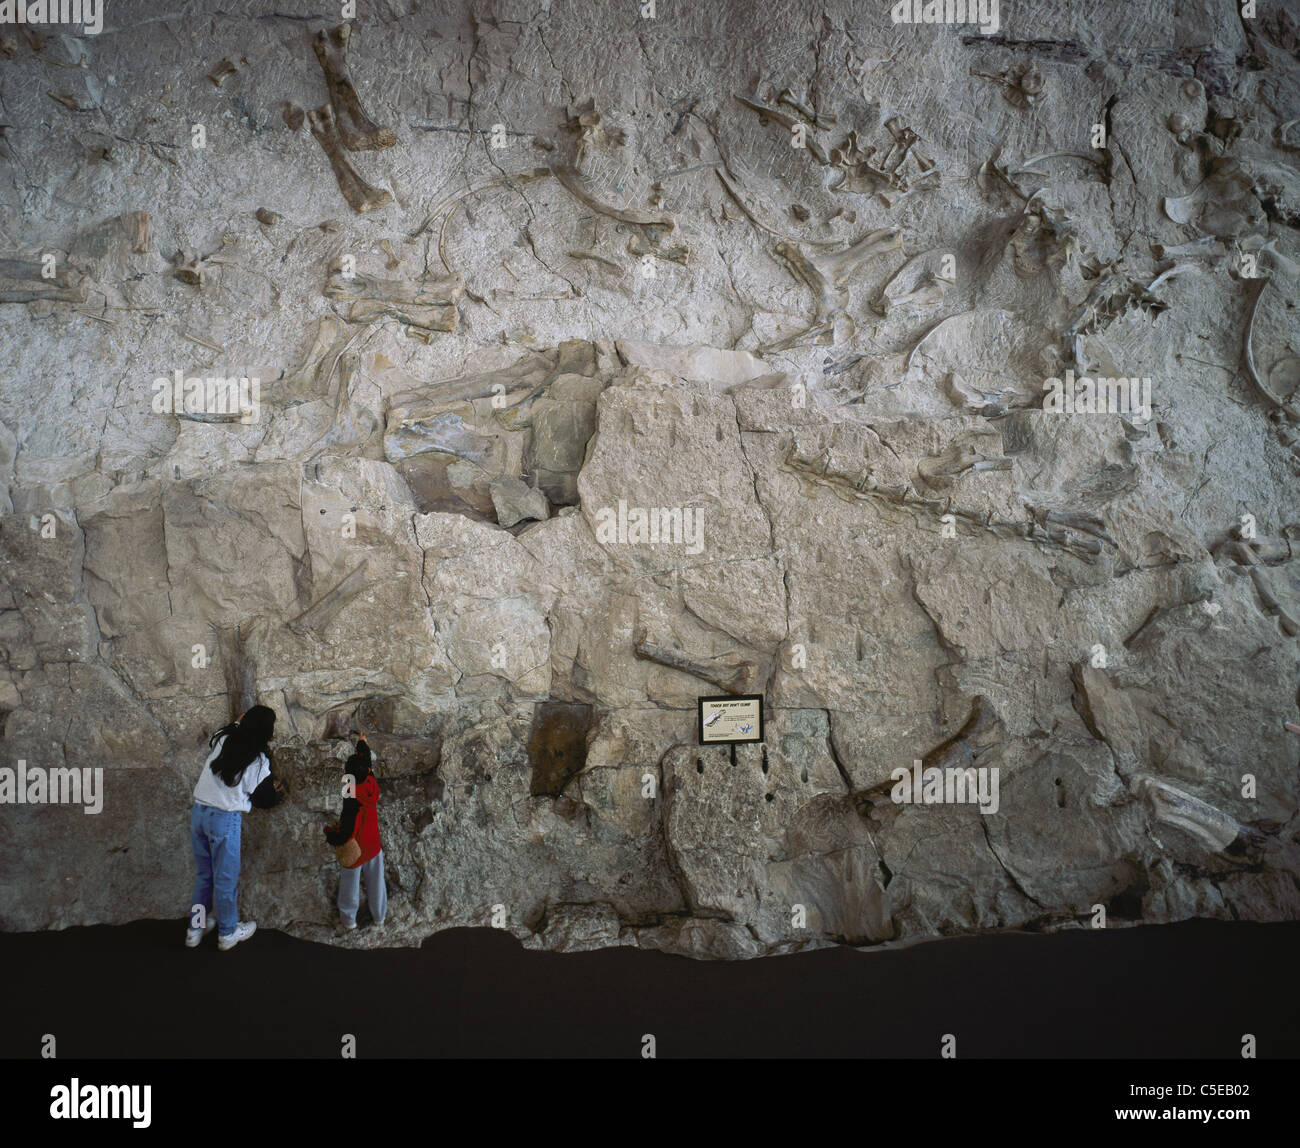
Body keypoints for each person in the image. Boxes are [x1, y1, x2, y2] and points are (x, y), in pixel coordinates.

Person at [186, 705, 286, 951]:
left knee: (203, 876)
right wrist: (277, 790)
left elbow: (236, 724)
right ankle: (228, 931)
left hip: (199, 813)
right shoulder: (258, 760)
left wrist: (242, 720)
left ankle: (195, 928)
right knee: (225, 880)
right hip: (224, 820)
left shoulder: (224, 737)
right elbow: (264, 799)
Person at [323, 733, 386, 931]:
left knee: (349, 885)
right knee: (377, 882)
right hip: (373, 844)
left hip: (355, 847)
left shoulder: (351, 794)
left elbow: (347, 826)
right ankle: (379, 916)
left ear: (349, 777)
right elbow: (366, 765)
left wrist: (330, 834)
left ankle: (349, 920)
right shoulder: (372, 784)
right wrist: (362, 744)